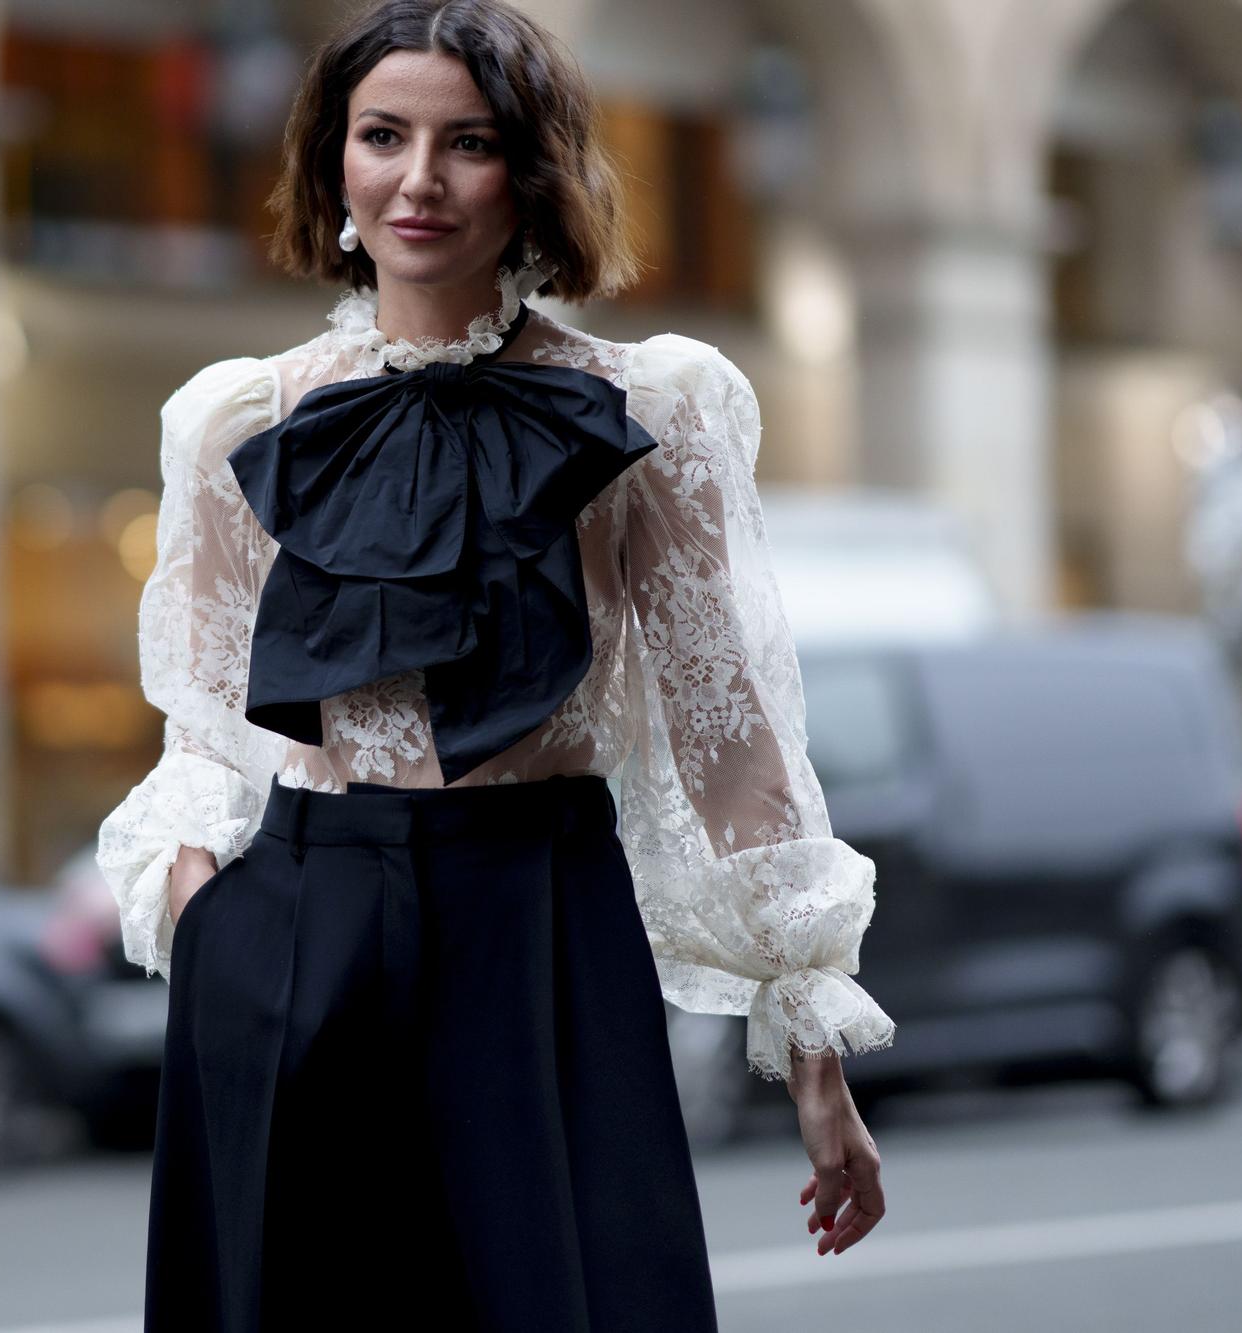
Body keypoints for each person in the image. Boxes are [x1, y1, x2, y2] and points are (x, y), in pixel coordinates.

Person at [95, 1, 897, 1327]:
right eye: (383, 136)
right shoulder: (238, 422)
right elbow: (203, 733)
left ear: (531, 173)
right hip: (298, 922)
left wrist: (816, 1052)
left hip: (538, 922)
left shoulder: (647, 411)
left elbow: (739, 748)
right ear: (334, 166)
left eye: (466, 142)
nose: (419, 179)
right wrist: (209, 927)